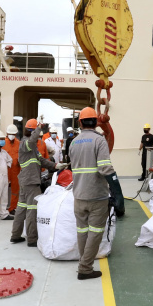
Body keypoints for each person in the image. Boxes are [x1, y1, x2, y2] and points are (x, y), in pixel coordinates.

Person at [69, 107, 125, 280]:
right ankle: (85, 268)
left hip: (78, 196)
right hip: (96, 197)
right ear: (96, 122)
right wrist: (117, 192)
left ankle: (83, 262)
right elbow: (105, 168)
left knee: (82, 231)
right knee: (95, 232)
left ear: (80, 122)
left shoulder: (73, 142)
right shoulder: (99, 141)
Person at [10, 118, 59, 247]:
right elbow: (32, 141)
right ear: (32, 132)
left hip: (26, 181)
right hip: (31, 181)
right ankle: (32, 239)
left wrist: (56, 166)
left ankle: (15, 235)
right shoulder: (26, 143)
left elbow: (41, 161)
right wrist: (39, 127)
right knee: (32, 209)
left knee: (21, 208)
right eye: (37, 134)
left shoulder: (32, 149)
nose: (38, 138)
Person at [4, 124, 21, 214]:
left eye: (13, 134)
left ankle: (12, 207)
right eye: (10, 134)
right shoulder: (3, 142)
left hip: (16, 169)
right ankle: (0, 207)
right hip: (5, 169)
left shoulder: (18, 143)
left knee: (15, 189)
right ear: (7, 133)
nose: (12, 136)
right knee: (1, 188)